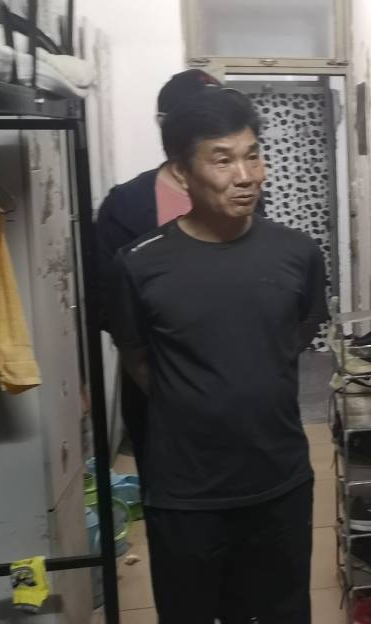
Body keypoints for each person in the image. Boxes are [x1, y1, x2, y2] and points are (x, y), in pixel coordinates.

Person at [108, 87, 327, 623]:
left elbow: (298, 332)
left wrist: (248, 374)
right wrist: (198, 400)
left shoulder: (296, 253)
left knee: (283, 614)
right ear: (183, 172)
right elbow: (136, 357)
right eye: (223, 160)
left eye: (253, 155)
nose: (246, 175)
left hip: (279, 481)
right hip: (186, 493)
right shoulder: (139, 265)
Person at [95, 69, 270, 465]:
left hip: (245, 387)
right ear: (166, 127)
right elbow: (109, 305)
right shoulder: (126, 205)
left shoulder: (242, 191)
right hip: (161, 388)